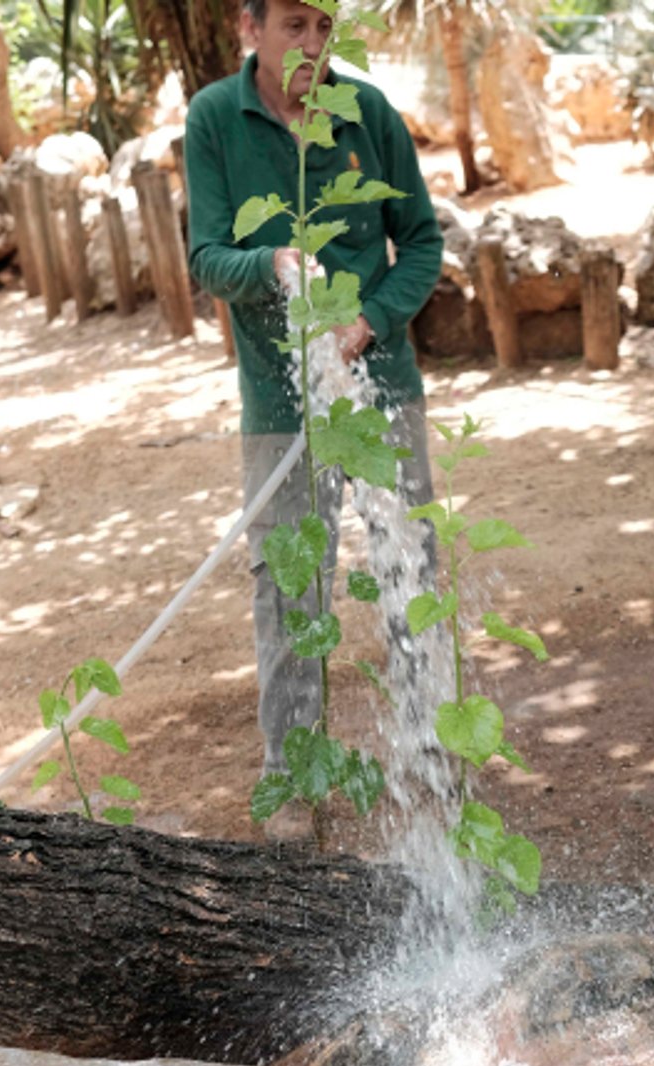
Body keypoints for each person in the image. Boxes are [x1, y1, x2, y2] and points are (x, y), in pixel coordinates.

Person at [184, 0, 444, 834]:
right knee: (289, 580)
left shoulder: (367, 113)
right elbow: (208, 258)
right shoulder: (215, 118)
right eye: (293, 24)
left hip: (380, 384)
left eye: (324, 26)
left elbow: (424, 240)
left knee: (411, 567)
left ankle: (432, 747)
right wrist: (276, 262)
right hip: (278, 393)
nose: (311, 44)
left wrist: (370, 317)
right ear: (248, 27)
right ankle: (295, 777)